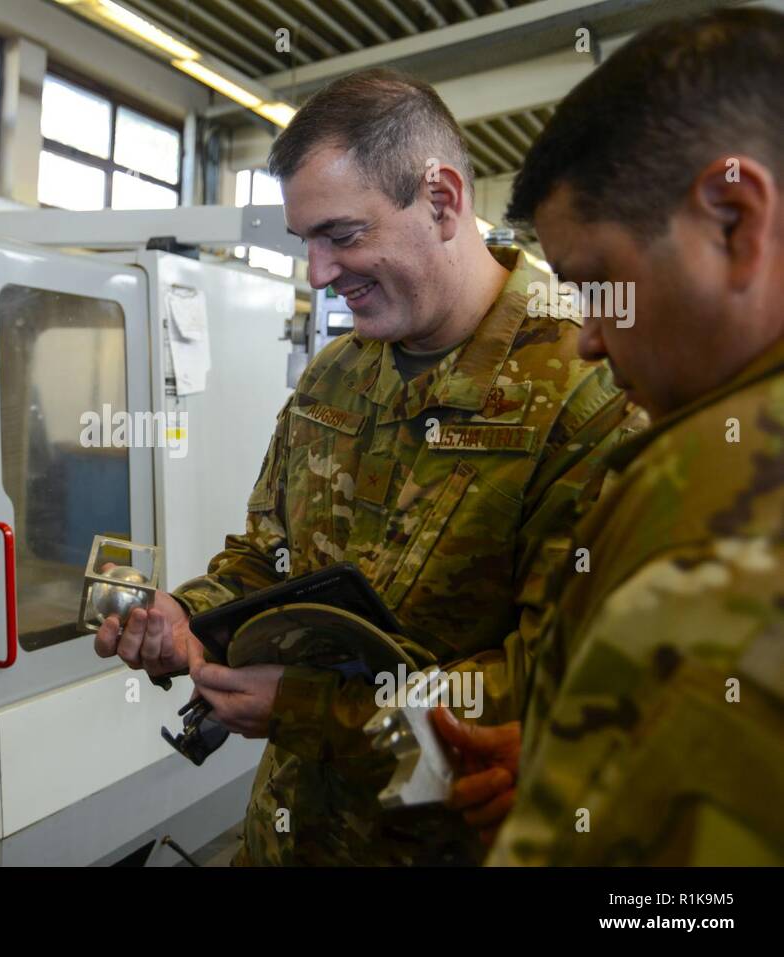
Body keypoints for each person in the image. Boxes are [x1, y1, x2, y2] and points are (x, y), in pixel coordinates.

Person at [97, 68, 644, 865]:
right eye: (306, 242)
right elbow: (266, 557)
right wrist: (189, 616)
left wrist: (313, 708)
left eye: (342, 236)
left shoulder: (584, 393)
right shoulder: (336, 375)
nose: (318, 273)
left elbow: (555, 680)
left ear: (444, 201)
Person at [446, 7, 784, 865]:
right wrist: (590, 758)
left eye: (597, 284)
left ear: (733, 221)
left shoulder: (707, 517)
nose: (591, 335)